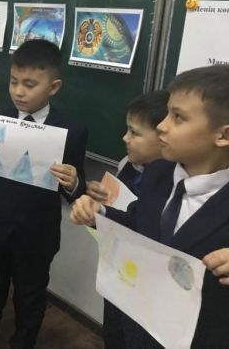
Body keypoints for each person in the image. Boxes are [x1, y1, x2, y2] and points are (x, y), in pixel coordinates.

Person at [70, 64, 229, 348]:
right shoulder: (158, 172)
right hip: (135, 320)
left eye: (178, 117)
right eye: (167, 113)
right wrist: (100, 213)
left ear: (224, 136)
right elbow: (138, 225)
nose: (162, 126)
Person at [0, 39, 88, 348]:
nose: (19, 91)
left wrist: (73, 183)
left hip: (36, 235)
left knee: (30, 300)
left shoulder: (71, 130)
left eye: (30, 85)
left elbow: (76, 191)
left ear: (54, 86)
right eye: (14, 82)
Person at [86, 90, 168, 349]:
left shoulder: (177, 184)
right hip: (119, 270)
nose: (125, 137)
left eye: (134, 132)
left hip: (150, 284)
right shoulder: (127, 164)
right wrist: (99, 203)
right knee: (114, 332)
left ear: (164, 136)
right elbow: (120, 210)